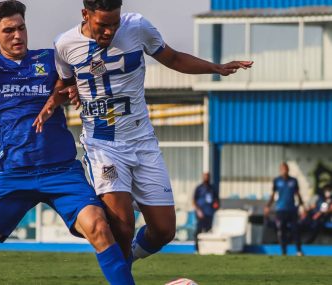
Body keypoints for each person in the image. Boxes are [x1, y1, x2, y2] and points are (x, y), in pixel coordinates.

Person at [34, 0, 252, 263]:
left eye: (114, 24)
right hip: (103, 144)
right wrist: (59, 98)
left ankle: (125, 264)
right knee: (123, 226)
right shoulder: (65, 44)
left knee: (164, 231)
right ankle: (122, 276)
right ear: (85, 15)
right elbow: (64, 84)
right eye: (102, 25)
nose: (109, 31)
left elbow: (172, 58)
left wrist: (214, 68)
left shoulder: (136, 27)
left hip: (142, 140)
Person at [0, 1, 134, 284]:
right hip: (13, 176)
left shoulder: (49, 59)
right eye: (8, 31)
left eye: (21, 28)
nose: (17, 35)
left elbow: (78, 78)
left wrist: (74, 89)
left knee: (99, 227)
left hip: (62, 172)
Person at [264, 162, 304, 256]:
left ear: (288, 169)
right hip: (280, 210)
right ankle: (283, 251)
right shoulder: (277, 181)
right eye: (282, 169)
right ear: (280, 170)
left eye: (285, 169)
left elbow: (298, 194)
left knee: (295, 229)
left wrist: (302, 207)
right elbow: (273, 195)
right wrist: (268, 206)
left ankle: (298, 250)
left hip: (292, 209)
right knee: (282, 230)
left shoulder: (293, 181)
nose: (284, 171)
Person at [193, 172, 219, 253]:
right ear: (203, 177)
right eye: (205, 177)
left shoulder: (212, 188)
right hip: (201, 214)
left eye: (208, 177)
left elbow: (216, 200)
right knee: (198, 231)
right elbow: (194, 200)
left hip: (210, 214)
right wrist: (198, 210)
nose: (206, 178)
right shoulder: (199, 188)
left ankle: (207, 249)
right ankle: (197, 249)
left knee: (208, 232)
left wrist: (216, 205)